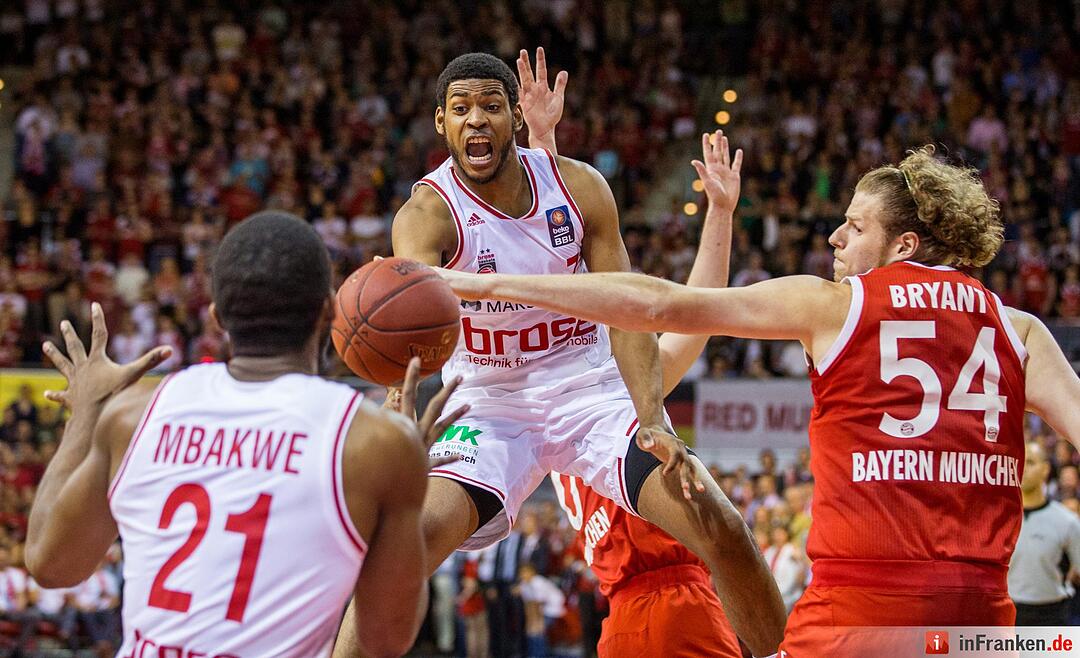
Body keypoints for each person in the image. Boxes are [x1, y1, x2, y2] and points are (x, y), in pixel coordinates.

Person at [440, 145, 1068, 653]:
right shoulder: (1022, 331)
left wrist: (484, 283)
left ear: (903, 246)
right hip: (983, 622)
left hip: (858, 615)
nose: (835, 238)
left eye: (854, 225)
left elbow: (658, 303)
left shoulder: (831, 303)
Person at [335, 51, 784, 658]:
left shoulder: (579, 187)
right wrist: (399, 399)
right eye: (461, 109)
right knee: (402, 550)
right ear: (440, 122)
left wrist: (650, 417)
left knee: (721, 524)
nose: (476, 121)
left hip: (587, 390)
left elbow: (627, 309)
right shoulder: (426, 213)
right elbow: (407, 319)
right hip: (489, 404)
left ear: (515, 117)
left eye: (492, 107)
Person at [25, 211, 463, 657]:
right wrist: (407, 484)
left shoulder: (134, 417)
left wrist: (85, 413)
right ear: (330, 311)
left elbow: (48, 562)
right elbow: (385, 639)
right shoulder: (372, 443)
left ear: (216, 317)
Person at [519, 48, 743, 658]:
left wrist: (719, 215)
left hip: (627, 618)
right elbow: (691, 313)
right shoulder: (579, 398)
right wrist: (542, 140)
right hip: (673, 602)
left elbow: (695, 314)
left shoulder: (576, 398)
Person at [1008, 441, 1080, 625]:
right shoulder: (998, 518)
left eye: (1030, 462)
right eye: (1019, 461)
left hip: (1053, 615)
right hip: (1008, 613)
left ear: (1046, 469)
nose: (1023, 467)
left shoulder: (1067, 521)